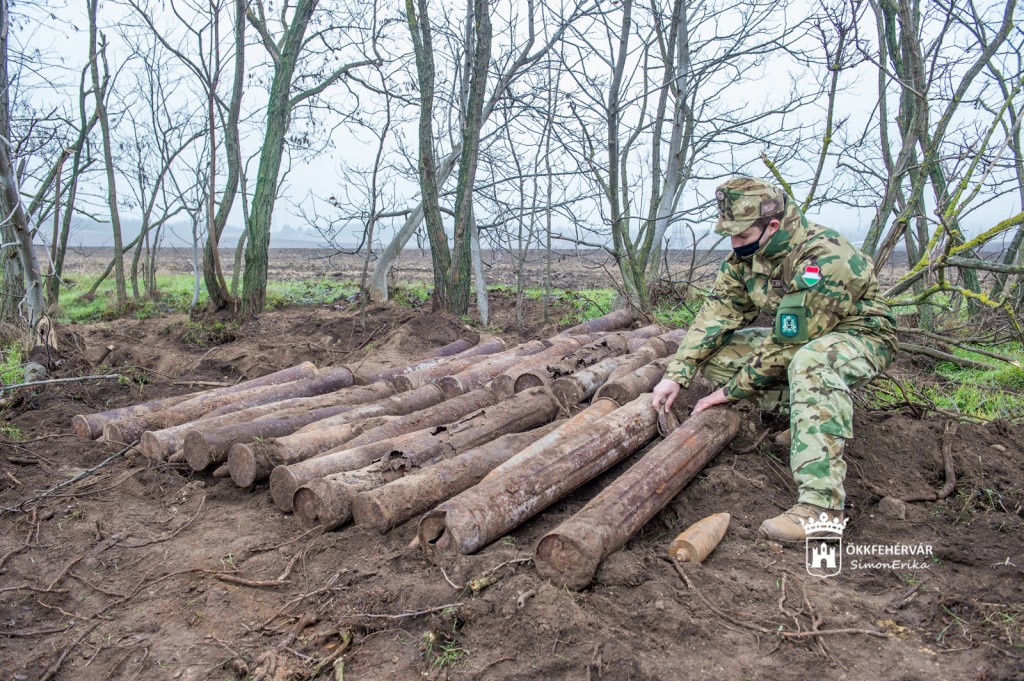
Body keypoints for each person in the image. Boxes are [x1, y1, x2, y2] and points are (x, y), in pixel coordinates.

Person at [651, 177, 897, 542]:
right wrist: (677, 373)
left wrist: (729, 392)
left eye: (743, 235)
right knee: (719, 356)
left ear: (773, 226)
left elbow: (789, 344)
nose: (735, 244)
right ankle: (806, 418)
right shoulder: (746, 258)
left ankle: (822, 508)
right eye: (730, 234)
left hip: (860, 337)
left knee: (811, 362)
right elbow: (715, 316)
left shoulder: (824, 256)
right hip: (799, 339)